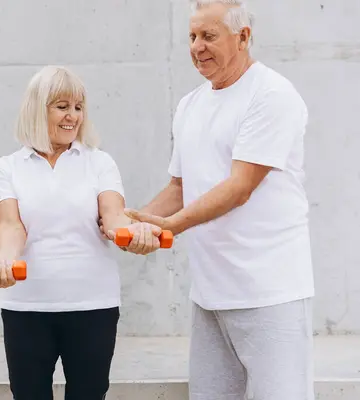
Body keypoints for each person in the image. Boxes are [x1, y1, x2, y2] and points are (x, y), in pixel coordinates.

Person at [106, 1, 315, 399]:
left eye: (209, 36)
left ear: (243, 37)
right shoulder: (191, 105)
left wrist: (171, 226)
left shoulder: (271, 95)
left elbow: (240, 187)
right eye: (192, 36)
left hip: (271, 294)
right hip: (210, 296)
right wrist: (135, 224)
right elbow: (180, 188)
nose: (197, 47)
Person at [0, 65, 158, 400]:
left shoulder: (99, 162)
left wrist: (137, 232)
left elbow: (114, 217)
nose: (72, 117)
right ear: (37, 108)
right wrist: (5, 260)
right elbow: (10, 225)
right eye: (62, 106)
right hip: (27, 309)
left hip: (93, 306)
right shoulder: (8, 168)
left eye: (78, 107)